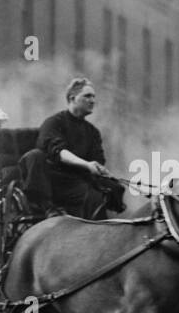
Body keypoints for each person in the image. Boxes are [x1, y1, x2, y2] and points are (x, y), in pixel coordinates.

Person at [25, 78, 125, 220]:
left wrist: (100, 169)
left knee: (100, 195)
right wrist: (87, 165)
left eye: (93, 96)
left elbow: (98, 160)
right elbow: (59, 152)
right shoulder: (54, 123)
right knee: (34, 156)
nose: (92, 101)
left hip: (76, 182)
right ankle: (49, 209)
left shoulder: (92, 132)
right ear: (72, 98)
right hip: (52, 183)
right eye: (87, 96)